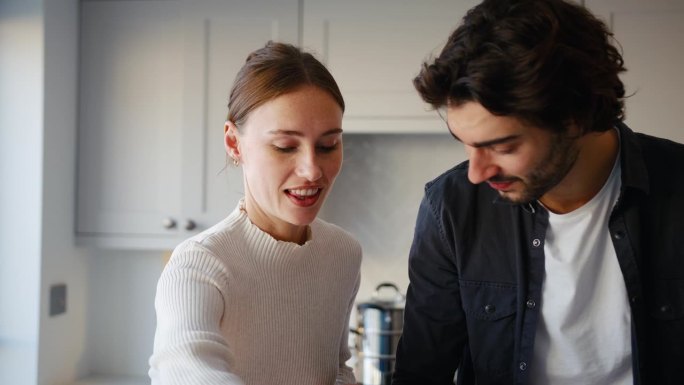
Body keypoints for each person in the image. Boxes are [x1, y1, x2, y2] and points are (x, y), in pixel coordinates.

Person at [392, 0, 684, 384]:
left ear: (574, 117)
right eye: (464, 142)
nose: (477, 173)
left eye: (503, 146)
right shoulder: (450, 206)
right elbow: (420, 375)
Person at [148, 41, 361, 385]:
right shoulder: (199, 265)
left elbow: (335, 370)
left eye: (327, 145)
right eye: (284, 147)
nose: (312, 170)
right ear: (234, 143)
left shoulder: (343, 253)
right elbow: (186, 371)